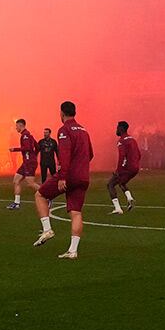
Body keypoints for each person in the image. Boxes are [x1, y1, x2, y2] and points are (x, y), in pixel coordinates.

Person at [36, 100, 92, 257]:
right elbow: (90, 154)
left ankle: (47, 229)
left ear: (61, 113)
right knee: (76, 212)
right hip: (83, 176)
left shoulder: (64, 130)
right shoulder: (84, 131)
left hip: (69, 176)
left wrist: (62, 177)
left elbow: (64, 155)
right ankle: (73, 250)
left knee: (40, 195)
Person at [109, 120, 142, 213]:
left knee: (110, 184)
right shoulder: (132, 139)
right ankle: (130, 198)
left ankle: (117, 208)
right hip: (135, 168)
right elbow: (139, 154)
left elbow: (122, 156)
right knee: (121, 183)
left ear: (121, 129)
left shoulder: (121, 141)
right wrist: (135, 163)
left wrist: (118, 170)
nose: (116, 130)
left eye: (117, 128)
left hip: (127, 168)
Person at [7, 119, 38, 211]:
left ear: (20, 125)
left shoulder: (25, 136)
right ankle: (17, 203)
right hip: (26, 162)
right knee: (16, 180)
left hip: (29, 163)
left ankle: (48, 196)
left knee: (31, 183)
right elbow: (37, 147)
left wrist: (15, 149)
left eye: (16, 126)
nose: (16, 128)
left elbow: (27, 148)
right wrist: (34, 155)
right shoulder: (29, 135)